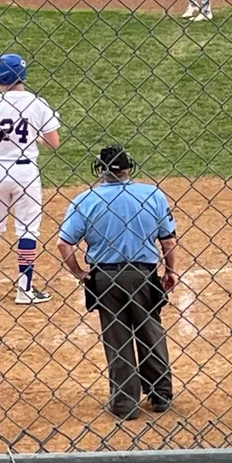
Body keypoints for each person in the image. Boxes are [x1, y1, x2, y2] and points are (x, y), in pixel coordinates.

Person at [56, 145, 181, 420]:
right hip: (143, 275)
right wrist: (170, 271)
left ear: (100, 170)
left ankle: (125, 404)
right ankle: (160, 395)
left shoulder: (84, 200)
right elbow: (168, 240)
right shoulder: (152, 194)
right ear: (129, 169)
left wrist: (79, 273)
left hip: (106, 278)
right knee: (150, 332)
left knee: (117, 337)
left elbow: (64, 244)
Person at [0, 52, 62, 303]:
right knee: (28, 229)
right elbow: (54, 142)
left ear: (3, 78)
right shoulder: (38, 104)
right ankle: (24, 289)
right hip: (26, 172)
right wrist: (34, 136)